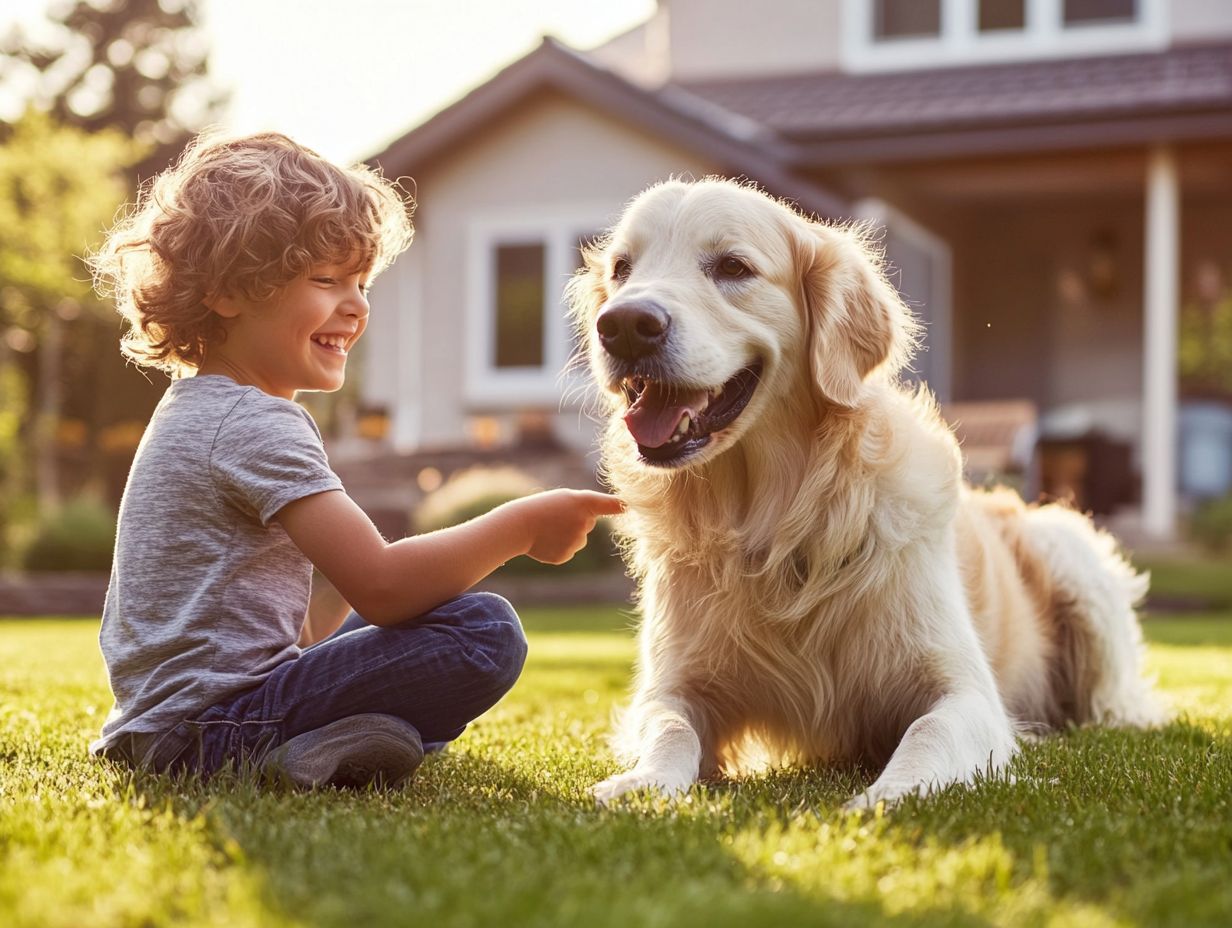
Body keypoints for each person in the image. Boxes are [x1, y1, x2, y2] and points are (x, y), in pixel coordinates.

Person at [86, 130, 622, 789]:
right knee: (482, 630)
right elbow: (386, 587)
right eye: (326, 280)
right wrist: (521, 524)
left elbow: (304, 630)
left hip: (167, 726)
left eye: (363, 283)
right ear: (227, 293)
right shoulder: (255, 420)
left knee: (428, 607)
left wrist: (353, 578)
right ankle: (308, 745)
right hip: (214, 729)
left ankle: (340, 740)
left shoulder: (197, 407)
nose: (357, 306)